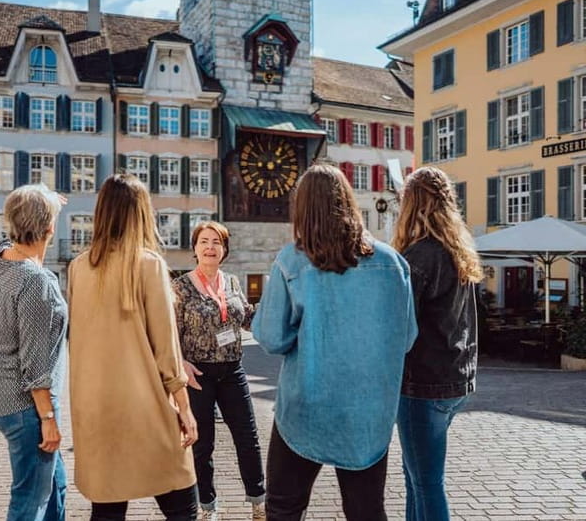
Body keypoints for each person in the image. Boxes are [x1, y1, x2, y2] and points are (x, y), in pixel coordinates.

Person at [252, 163, 418, 521]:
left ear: (302, 209)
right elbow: (406, 338)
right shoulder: (392, 263)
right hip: (368, 413)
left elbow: (270, 337)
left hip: (306, 408)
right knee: (367, 511)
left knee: (283, 507)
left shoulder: (293, 260)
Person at [68, 173, 199, 521]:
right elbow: (166, 348)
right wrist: (184, 406)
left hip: (95, 407)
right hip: (145, 405)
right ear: (142, 213)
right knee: (181, 500)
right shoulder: (148, 264)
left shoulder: (78, 267)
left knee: (108, 507)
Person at [392, 166, 483, 521]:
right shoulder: (457, 250)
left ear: (412, 205)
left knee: (426, 481)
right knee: (416, 477)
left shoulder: (420, 256)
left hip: (422, 384)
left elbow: (403, 329)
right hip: (456, 379)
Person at [172, 221, 266, 521]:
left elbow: (247, 318)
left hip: (233, 371)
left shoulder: (233, 283)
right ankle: (208, 506)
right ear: (195, 248)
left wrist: (276, 310)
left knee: (248, 438)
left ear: (224, 250)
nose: (210, 247)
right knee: (202, 444)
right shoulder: (180, 287)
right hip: (198, 375)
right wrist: (181, 363)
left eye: (216, 242)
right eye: (204, 241)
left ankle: (258, 501)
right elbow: (169, 332)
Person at [0, 184, 67, 521]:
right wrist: (48, 420)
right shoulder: (36, 281)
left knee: (54, 490)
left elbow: (11, 237)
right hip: (28, 408)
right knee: (29, 502)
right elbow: (35, 361)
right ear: (49, 228)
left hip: (1, 399)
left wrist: (43, 202)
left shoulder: (0, 258)